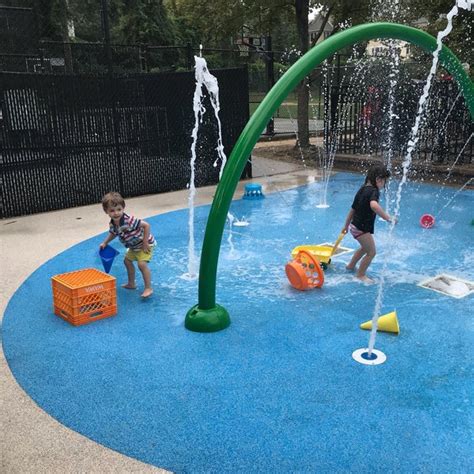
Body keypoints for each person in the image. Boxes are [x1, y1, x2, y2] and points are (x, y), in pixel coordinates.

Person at [342, 164, 396, 284]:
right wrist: (389, 218)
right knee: (371, 252)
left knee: (364, 248)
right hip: (361, 229)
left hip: (354, 226)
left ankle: (350, 266)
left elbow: (352, 209)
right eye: (384, 182)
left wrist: (346, 226)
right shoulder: (374, 191)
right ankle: (360, 275)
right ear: (378, 180)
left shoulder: (362, 189)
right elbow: (374, 206)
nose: (383, 186)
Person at [100, 192, 155, 298]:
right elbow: (113, 233)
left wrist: (145, 243)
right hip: (133, 246)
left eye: (119, 209)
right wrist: (105, 242)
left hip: (145, 244)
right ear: (106, 211)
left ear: (123, 208)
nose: (116, 213)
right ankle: (131, 283)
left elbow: (146, 225)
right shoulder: (113, 223)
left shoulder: (129, 220)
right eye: (112, 210)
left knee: (141, 264)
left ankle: (148, 288)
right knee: (127, 261)